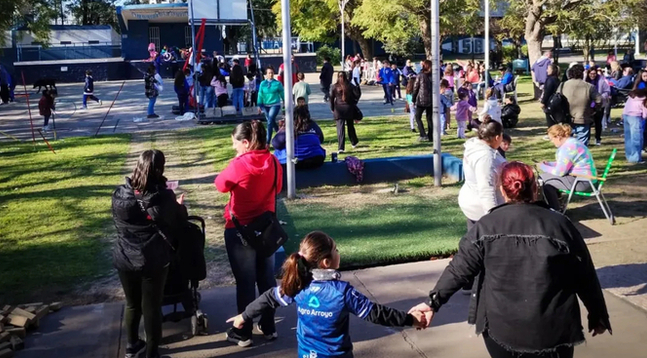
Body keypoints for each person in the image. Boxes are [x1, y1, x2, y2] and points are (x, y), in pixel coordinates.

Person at [411, 161, 611, 358]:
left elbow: (459, 270)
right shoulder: (560, 224)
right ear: (535, 188)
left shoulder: (485, 226)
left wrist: (432, 303)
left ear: (502, 190)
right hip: (553, 329)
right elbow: (585, 274)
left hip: (502, 329)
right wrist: (598, 313)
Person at [227, 231, 425, 356]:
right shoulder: (342, 292)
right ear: (326, 262)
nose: (339, 252)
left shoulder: (297, 285)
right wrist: (410, 320)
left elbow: (269, 297)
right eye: (336, 250)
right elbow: (377, 313)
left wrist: (244, 316)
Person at [112, 150, 188, 358]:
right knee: (152, 308)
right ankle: (152, 353)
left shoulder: (120, 194)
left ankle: (132, 344)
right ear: (160, 169)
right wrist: (179, 207)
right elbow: (177, 220)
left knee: (132, 303)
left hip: (124, 257)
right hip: (152, 259)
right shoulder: (164, 197)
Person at [215, 121, 283, 347]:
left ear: (245, 143)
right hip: (266, 230)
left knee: (245, 283)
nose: (234, 148)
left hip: (240, 231)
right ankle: (268, 325)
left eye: (235, 143)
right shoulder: (273, 161)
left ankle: (243, 333)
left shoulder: (239, 165)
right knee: (266, 279)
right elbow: (279, 187)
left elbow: (220, 185)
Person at [459, 116, 506, 230]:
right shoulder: (485, 158)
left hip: (472, 202)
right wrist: (493, 218)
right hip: (481, 209)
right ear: (497, 137)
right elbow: (486, 189)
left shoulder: (476, 146)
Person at [538, 123, 598, 210]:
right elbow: (566, 163)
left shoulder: (567, 148)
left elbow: (559, 172)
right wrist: (549, 164)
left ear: (558, 137)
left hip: (582, 181)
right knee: (545, 178)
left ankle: (555, 209)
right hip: (587, 178)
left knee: (543, 180)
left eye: (551, 139)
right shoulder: (573, 142)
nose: (551, 142)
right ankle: (558, 204)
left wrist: (543, 167)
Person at [272, 105, 325, 170]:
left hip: (292, 162)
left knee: (277, 152)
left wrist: (281, 129)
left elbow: (276, 144)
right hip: (316, 159)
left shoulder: (288, 128)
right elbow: (321, 139)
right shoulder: (313, 125)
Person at [561, 64, 601, 145]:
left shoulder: (562, 85)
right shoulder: (589, 86)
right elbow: (599, 100)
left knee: (567, 144)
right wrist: (593, 109)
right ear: (582, 74)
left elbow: (557, 99)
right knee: (581, 146)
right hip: (583, 117)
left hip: (566, 117)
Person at [330, 72, 361, 153]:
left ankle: (341, 147)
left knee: (340, 129)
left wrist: (332, 108)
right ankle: (354, 142)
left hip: (339, 109)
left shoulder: (335, 86)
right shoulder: (350, 85)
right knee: (350, 126)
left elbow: (331, 98)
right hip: (349, 108)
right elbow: (357, 95)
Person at [258, 67, 285, 145]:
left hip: (275, 105)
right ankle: (279, 133)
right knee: (271, 121)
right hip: (265, 105)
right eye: (269, 73)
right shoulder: (263, 83)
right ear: (266, 74)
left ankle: (267, 142)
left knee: (269, 121)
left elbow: (282, 94)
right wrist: (259, 105)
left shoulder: (277, 83)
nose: (271, 74)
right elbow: (260, 95)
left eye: (272, 73)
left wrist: (285, 102)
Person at [586, 67, 610, 146]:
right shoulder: (585, 81)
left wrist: (601, 97)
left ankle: (598, 139)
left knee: (598, 122)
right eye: (591, 74)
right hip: (589, 105)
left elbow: (607, 91)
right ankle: (587, 139)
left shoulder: (601, 81)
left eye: (594, 74)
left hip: (599, 105)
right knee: (588, 123)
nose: (592, 75)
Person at [623, 88, 647, 163]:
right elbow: (645, 113)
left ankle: (629, 155)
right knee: (637, 138)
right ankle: (635, 158)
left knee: (628, 137)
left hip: (626, 115)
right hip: (636, 117)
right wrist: (644, 117)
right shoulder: (644, 100)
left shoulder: (631, 97)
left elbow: (626, 106)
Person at [412, 60, 434, 142]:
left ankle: (423, 134)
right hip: (431, 100)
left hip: (421, 100)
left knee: (418, 117)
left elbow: (415, 88)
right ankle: (431, 136)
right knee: (430, 118)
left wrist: (413, 99)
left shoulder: (420, 75)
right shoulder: (433, 75)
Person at [540, 63, 561, 129]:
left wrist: (543, 101)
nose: (547, 70)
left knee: (550, 119)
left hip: (550, 102)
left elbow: (547, 92)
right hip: (556, 101)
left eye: (548, 69)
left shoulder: (550, 80)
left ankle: (552, 132)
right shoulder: (557, 79)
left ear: (553, 70)